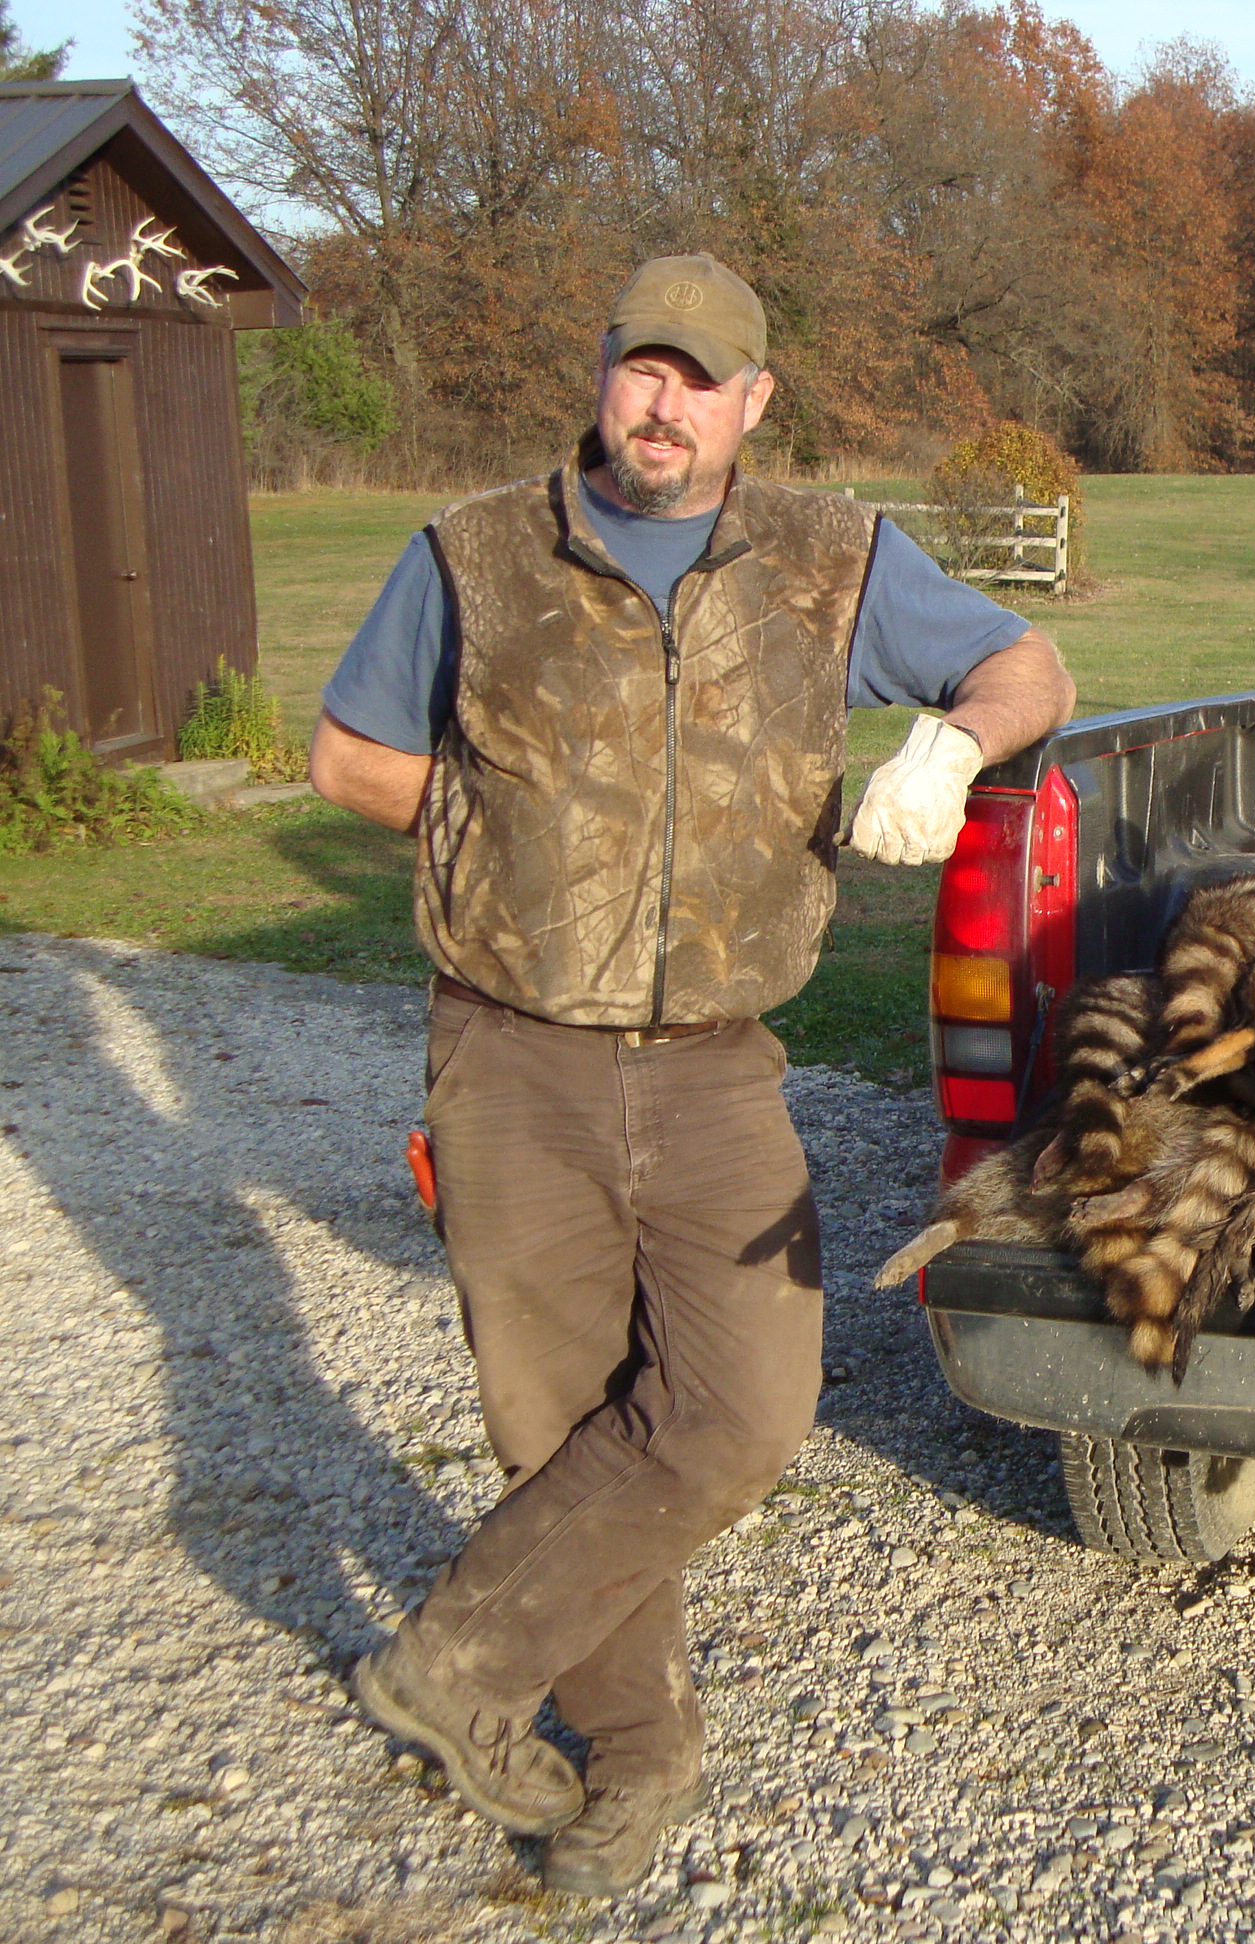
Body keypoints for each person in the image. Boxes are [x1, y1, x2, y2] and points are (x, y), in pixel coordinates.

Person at [308, 253, 1074, 1897]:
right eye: (643, 372)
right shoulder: (475, 552)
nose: (666, 408)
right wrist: (505, 840)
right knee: (564, 1429)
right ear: (605, 373)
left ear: (754, 402)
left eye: (701, 381)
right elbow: (352, 757)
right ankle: (638, 1762)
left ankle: (449, 1665)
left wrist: (950, 745)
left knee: (731, 1415)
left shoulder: (828, 559)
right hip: (510, 1058)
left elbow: (1032, 667)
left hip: (722, 1063)